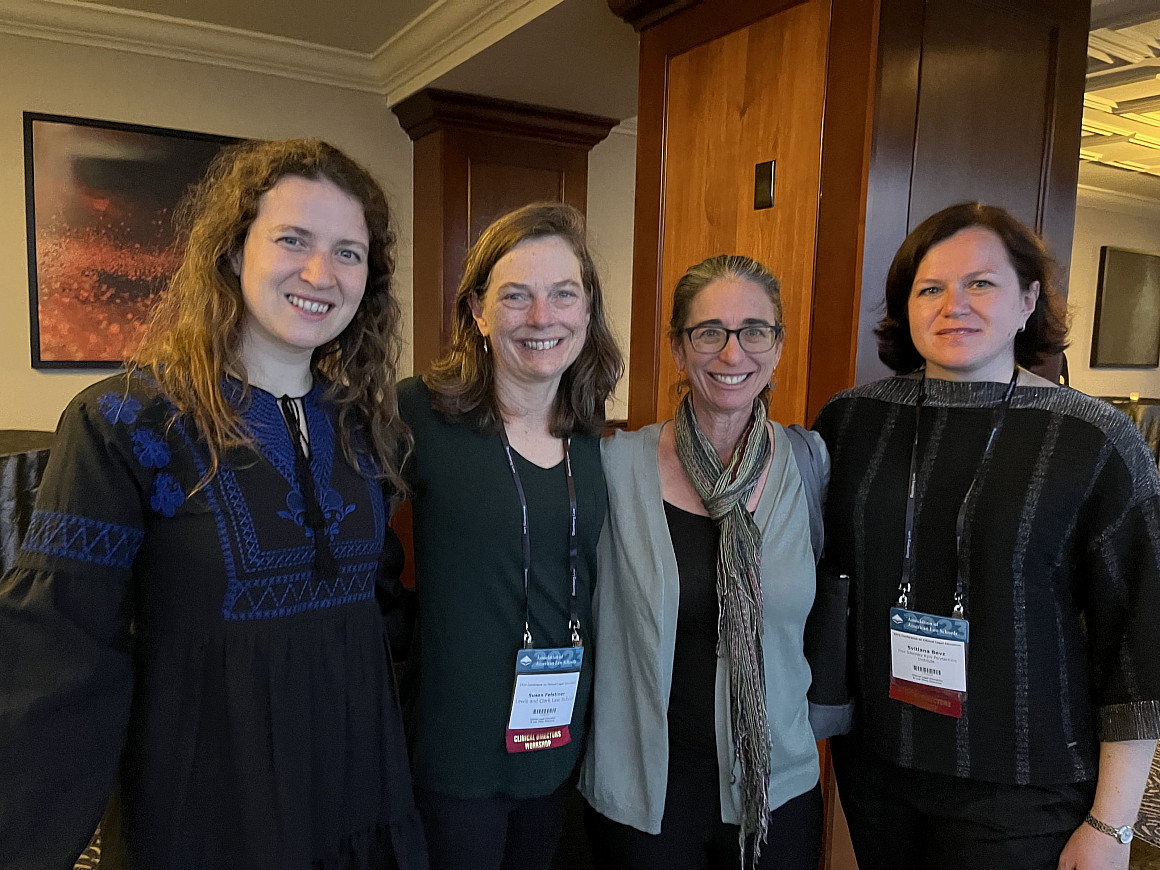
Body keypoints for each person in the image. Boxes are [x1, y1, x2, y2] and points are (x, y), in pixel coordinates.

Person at [0, 139, 428, 869]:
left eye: (349, 252)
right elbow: (60, 658)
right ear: (233, 252)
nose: (321, 273)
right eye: (293, 240)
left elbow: (377, 608)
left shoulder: (367, 424)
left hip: (360, 789)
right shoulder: (124, 423)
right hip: (210, 804)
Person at [813, 202, 1160, 870]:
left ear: (1028, 299)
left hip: (1024, 782)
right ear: (905, 306)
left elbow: (1140, 641)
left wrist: (1112, 826)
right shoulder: (851, 424)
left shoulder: (1093, 439)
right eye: (930, 287)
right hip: (881, 765)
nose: (954, 306)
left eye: (981, 283)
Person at [580, 255, 827, 869]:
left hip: (778, 794)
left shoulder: (810, 465)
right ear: (677, 348)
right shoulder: (615, 468)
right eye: (709, 332)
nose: (731, 353)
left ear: (777, 347)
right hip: (646, 801)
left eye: (754, 332)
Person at [397, 202, 623, 870]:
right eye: (515, 296)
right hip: (454, 751)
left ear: (587, 310)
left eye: (563, 295)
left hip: (557, 745)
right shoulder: (421, 414)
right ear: (477, 311)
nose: (541, 317)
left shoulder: (593, 435)